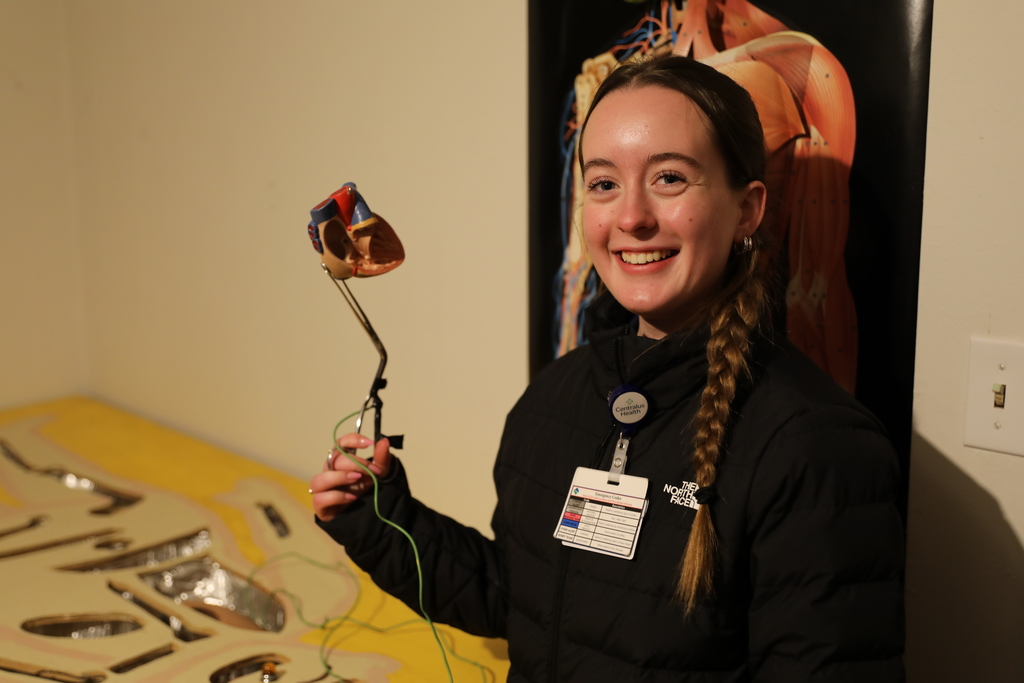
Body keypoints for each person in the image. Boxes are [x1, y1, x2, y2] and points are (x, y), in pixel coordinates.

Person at [310, 54, 905, 682]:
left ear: (747, 210)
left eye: (670, 178)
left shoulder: (815, 446)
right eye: (603, 184)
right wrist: (377, 516)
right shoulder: (557, 397)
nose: (630, 217)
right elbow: (520, 599)